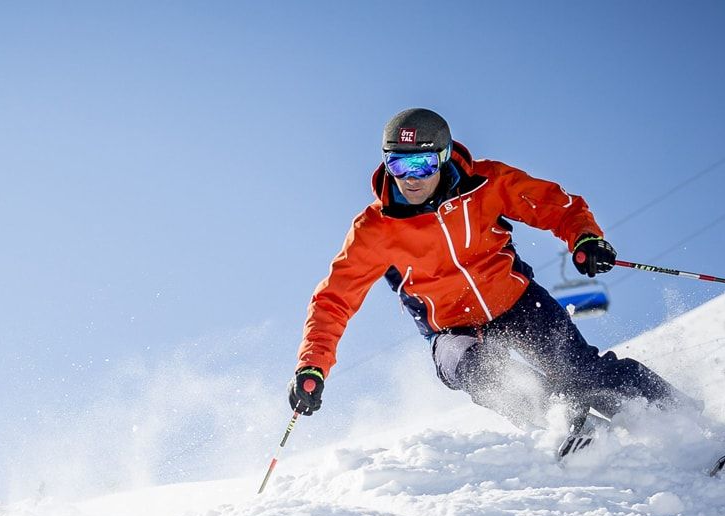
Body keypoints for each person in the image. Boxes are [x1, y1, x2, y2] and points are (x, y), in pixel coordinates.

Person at [290, 107, 684, 454]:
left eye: (422, 166)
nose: (410, 180)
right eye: (398, 166)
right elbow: (333, 301)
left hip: (516, 303)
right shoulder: (375, 229)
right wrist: (312, 367)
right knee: (478, 368)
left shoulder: (486, 183)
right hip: (451, 331)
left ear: (443, 158)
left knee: (581, 372)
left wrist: (584, 237)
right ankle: (566, 422)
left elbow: (555, 205)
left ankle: (685, 418)